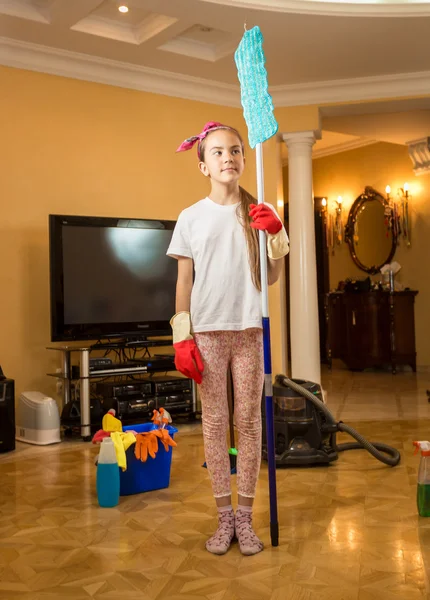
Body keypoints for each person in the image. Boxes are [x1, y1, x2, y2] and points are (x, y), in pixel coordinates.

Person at [166, 121, 289, 556]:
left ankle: (246, 519)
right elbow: (184, 282)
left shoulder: (258, 212)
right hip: (208, 332)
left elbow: (271, 276)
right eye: (217, 152)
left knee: (250, 422)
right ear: (203, 164)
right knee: (216, 424)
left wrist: (276, 234)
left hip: (249, 329)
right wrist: (182, 336)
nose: (229, 158)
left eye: (235, 150)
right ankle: (223, 518)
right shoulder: (191, 218)